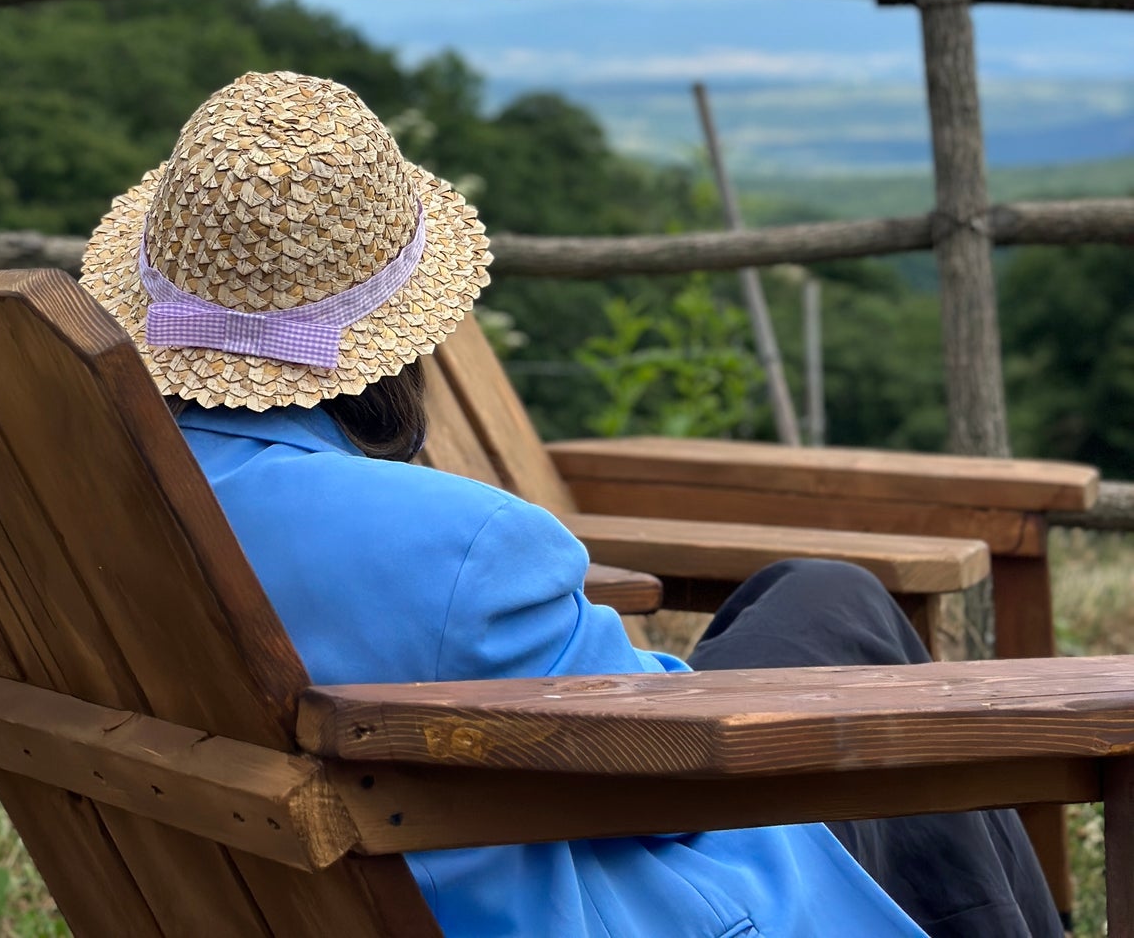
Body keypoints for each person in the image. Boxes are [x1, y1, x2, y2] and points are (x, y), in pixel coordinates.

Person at [82, 69, 1062, 938]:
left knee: (812, 595)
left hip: (293, 886)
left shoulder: (86, 515)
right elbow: (664, 783)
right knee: (837, 608)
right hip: (604, 893)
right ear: (392, 342)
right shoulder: (459, 543)